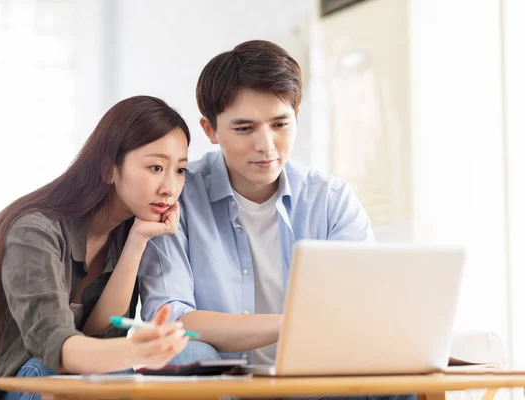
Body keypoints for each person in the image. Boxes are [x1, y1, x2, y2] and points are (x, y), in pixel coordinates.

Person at [138, 41, 414, 400]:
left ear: (297, 114)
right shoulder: (177, 196)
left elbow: (359, 313)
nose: (266, 145)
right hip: (223, 383)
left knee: (394, 370)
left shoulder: (330, 200)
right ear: (210, 130)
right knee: (185, 352)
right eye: (244, 128)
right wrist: (289, 324)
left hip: (313, 383)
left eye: (280, 123)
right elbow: (170, 319)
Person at [0, 96, 191, 400]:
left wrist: (137, 242)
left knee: (106, 376)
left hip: (38, 383)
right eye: (156, 167)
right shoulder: (35, 231)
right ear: (108, 168)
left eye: (180, 170)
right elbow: (54, 345)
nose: (170, 188)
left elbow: (98, 339)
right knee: (63, 375)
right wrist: (136, 351)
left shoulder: (127, 232)